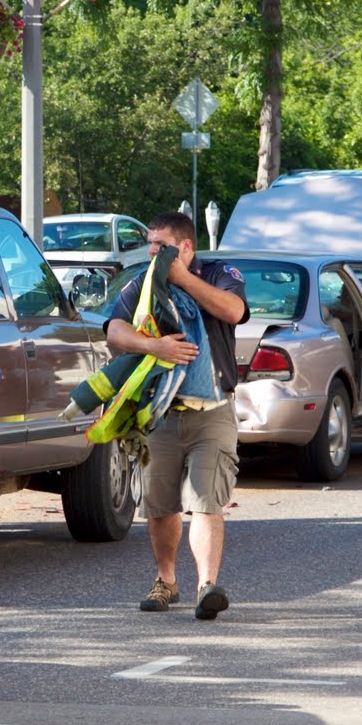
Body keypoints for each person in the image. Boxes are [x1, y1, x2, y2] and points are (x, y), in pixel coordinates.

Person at [105, 211, 248, 620]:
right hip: (161, 413)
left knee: (206, 501)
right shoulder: (143, 282)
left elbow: (234, 311)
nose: (152, 251)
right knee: (160, 505)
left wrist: (184, 279)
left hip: (212, 411)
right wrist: (155, 347)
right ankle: (166, 581)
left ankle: (207, 586)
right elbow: (114, 329)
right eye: (150, 243)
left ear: (185, 247)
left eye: (160, 245)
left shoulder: (219, 274)